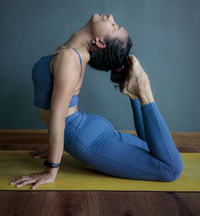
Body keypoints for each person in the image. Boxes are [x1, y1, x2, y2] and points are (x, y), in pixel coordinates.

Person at [9, 13, 183, 189]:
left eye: (114, 26)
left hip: (86, 137)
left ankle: (143, 90)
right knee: (155, 151)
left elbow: (58, 118)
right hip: (87, 131)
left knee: (170, 168)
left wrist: (50, 170)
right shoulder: (71, 52)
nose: (111, 17)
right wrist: (60, 147)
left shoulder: (70, 57)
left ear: (100, 42)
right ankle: (135, 94)